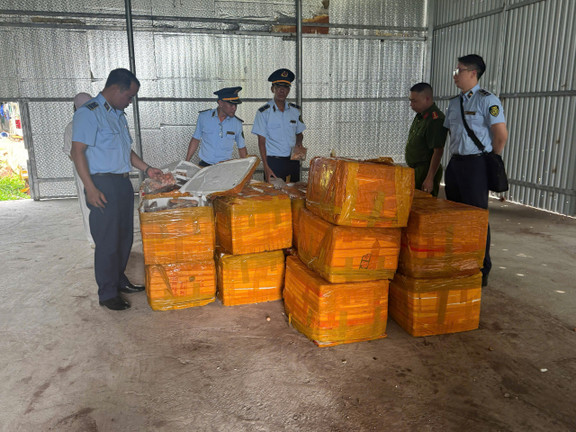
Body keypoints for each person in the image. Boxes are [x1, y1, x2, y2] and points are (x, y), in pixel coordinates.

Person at [71, 68, 163, 311]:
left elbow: (126, 151)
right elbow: (77, 151)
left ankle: (118, 279)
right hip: (102, 184)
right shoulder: (89, 113)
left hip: (122, 183)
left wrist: (147, 169)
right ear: (116, 89)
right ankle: (107, 292)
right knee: (107, 241)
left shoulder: (118, 115)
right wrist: (90, 188)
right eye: (129, 96)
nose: (130, 102)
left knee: (124, 238)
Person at [443, 54, 508, 287]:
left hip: (476, 165)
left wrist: (490, 159)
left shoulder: (487, 100)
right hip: (455, 164)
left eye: (459, 70)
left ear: (473, 73)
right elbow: (451, 133)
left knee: (477, 217)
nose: (455, 75)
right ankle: (461, 262)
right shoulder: (454, 103)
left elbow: (501, 135)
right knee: (456, 216)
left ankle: (481, 268)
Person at [252, 68, 306, 182]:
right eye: (278, 87)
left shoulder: (295, 111)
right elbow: (261, 142)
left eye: (285, 87)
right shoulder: (263, 112)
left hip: (293, 161)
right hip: (274, 163)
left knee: (294, 191)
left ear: (289, 90)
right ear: (273, 89)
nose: (282, 90)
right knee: (274, 193)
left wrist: (299, 143)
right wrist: (266, 167)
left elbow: (299, 133)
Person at [185, 87, 247, 166]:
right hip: (205, 166)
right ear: (220, 103)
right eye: (231, 105)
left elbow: (241, 147)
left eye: (236, 105)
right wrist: (186, 162)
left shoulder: (237, 123)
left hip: (225, 167)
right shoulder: (204, 117)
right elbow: (195, 139)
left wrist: (247, 168)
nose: (234, 108)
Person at [63, 92, 95, 247]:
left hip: (100, 169)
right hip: (84, 171)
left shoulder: (98, 123)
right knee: (88, 202)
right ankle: (93, 238)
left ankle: (98, 238)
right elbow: (72, 154)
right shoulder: (72, 127)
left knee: (93, 202)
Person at [405, 83, 448, 197]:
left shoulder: (435, 120)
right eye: (410, 101)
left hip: (425, 170)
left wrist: (429, 178)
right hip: (415, 170)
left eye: (414, 101)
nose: (411, 105)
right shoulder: (420, 115)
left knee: (424, 204)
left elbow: (438, 151)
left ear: (427, 99)